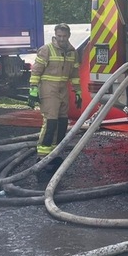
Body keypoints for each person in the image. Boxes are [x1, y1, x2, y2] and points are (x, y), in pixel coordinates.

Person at [28, 23, 82, 169]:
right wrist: (33, 89)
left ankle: (55, 153)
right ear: (55, 35)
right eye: (59, 36)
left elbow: (75, 74)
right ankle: (42, 157)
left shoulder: (72, 52)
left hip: (63, 91)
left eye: (64, 36)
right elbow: (36, 71)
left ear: (68, 36)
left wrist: (78, 92)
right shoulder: (46, 50)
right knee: (51, 122)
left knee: (62, 122)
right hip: (48, 90)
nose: (61, 39)